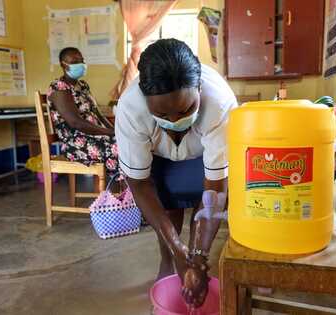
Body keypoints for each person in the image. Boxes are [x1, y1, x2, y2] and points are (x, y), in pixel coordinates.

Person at [115, 39, 237, 307]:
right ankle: (169, 258)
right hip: (158, 157)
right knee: (165, 196)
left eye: (186, 110)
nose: (174, 121)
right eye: (161, 113)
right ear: (146, 101)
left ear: (200, 89)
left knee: (198, 196)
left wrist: (199, 257)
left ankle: (194, 257)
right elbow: (140, 183)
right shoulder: (130, 108)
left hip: (200, 155)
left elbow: (215, 186)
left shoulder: (220, 103)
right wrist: (177, 249)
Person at [47, 47, 120, 179]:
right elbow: (75, 122)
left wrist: (114, 130)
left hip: (95, 136)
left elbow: (98, 114)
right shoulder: (59, 87)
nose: (80, 64)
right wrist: (109, 133)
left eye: (82, 60)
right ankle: (124, 191)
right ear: (64, 65)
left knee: (127, 142)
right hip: (75, 142)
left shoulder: (83, 86)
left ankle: (125, 192)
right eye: (75, 61)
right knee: (120, 147)